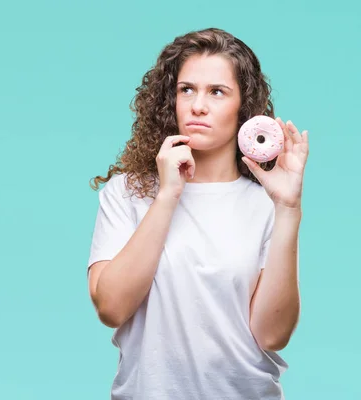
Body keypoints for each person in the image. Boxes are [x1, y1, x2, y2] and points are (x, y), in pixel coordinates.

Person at [86, 27, 309, 400]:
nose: (198, 105)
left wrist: (288, 210)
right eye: (186, 89)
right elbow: (111, 307)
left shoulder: (266, 204)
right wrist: (169, 194)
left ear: (244, 108)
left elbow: (272, 335)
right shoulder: (126, 193)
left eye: (217, 92)